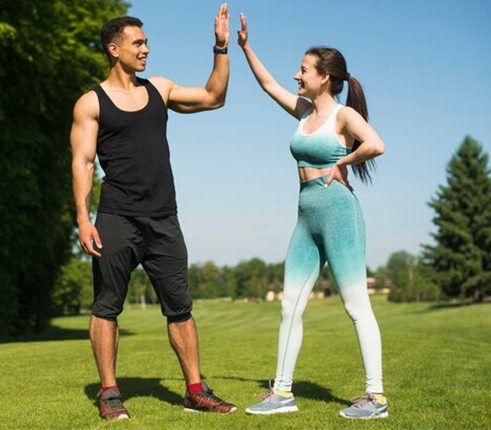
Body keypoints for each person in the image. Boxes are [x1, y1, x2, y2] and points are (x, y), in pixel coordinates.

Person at [70, 4, 237, 420]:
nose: (146, 49)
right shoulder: (91, 103)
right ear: (114, 49)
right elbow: (83, 162)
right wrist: (82, 218)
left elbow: (214, 97)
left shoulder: (158, 89)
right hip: (116, 218)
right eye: (138, 43)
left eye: (147, 42)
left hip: (164, 217)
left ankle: (195, 390)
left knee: (180, 306)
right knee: (107, 305)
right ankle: (110, 393)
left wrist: (220, 47)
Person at [235, 13, 389, 419]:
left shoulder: (343, 116)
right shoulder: (304, 113)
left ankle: (376, 398)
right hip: (306, 216)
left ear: (324, 77)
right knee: (290, 305)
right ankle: (282, 392)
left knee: (356, 305)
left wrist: (344, 164)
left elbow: (376, 144)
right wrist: (245, 47)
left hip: (338, 212)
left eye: (303, 70)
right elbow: (268, 85)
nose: (296, 75)